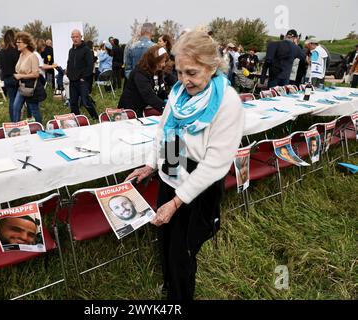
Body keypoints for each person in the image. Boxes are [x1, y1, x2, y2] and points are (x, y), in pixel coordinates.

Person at [126, 31, 244, 300]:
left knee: (183, 250)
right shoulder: (179, 93)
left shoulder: (228, 103)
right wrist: (151, 165)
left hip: (198, 181)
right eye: (178, 71)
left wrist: (176, 202)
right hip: (171, 165)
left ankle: (180, 296)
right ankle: (170, 288)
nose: (183, 80)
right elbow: (163, 129)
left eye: (190, 72)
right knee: (166, 239)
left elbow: (215, 164)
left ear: (212, 66)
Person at [118, 46, 170, 116]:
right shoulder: (139, 73)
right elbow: (149, 96)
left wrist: (170, 101)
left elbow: (161, 92)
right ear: (152, 61)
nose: (163, 64)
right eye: (161, 62)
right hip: (130, 111)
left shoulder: (158, 72)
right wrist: (167, 109)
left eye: (164, 61)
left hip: (142, 110)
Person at [12, 32, 44, 123]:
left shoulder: (33, 56)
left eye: (19, 42)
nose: (17, 44)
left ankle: (40, 128)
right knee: (16, 107)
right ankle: (15, 128)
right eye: (16, 42)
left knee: (34, 110)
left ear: (26, 44)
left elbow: (36, 74)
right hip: (22, 86)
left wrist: (21, 75)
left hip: (31, 88)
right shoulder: (21, 55)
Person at [66, 30, 98, 120]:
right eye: (73, 37)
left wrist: (84, 77)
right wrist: (68, 73)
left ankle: (95, 118)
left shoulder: (86, 50)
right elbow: (69, 63)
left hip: (82, 81)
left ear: (81, 37)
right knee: (73, 103)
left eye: (77, 36)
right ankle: (77, 120)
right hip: (72, 81)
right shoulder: (71, 51)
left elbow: (90, 65)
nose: (75, 39)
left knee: (85, 101)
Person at [0, 29, 20, 122]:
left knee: (12, 100)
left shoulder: (1, 52)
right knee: (20, 100)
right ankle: (18, 119)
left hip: (6, 78)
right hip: (17, 77)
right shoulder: (17, 51)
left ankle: (13, 120)